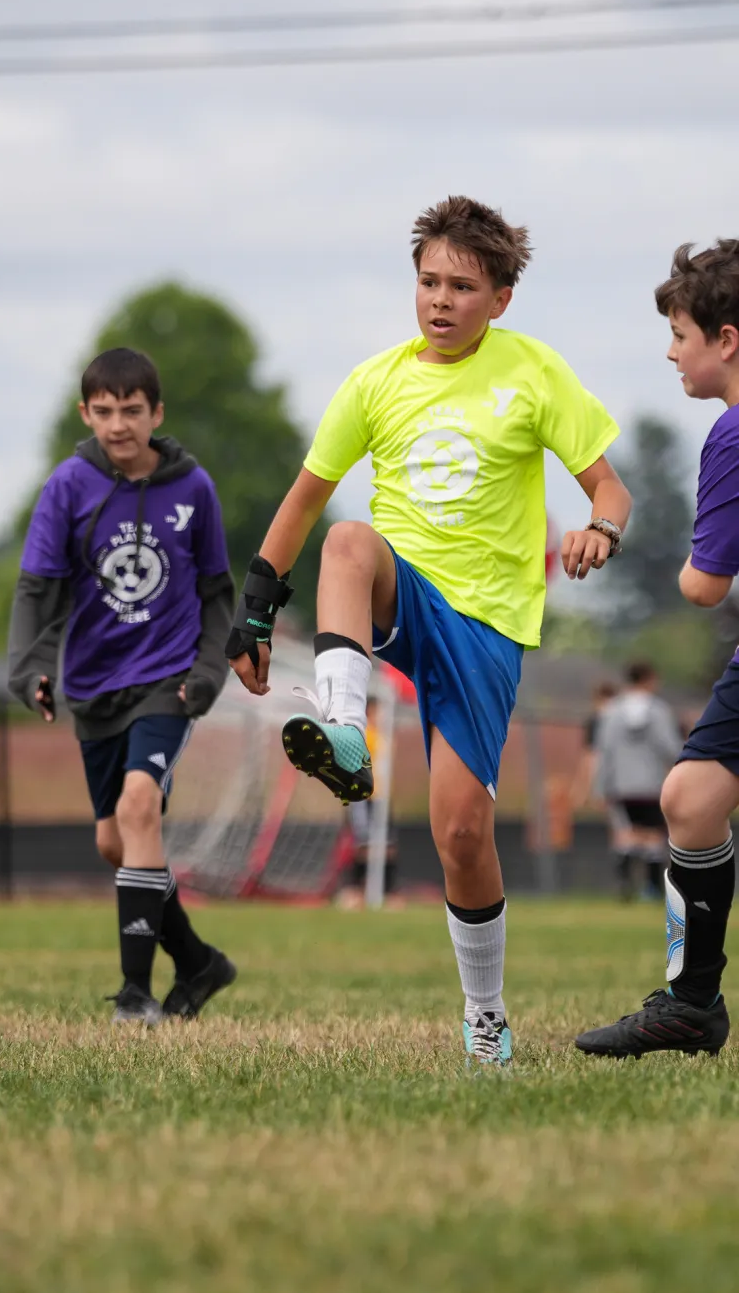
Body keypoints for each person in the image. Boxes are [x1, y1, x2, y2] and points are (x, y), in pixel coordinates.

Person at [227, 195, 630, 1065]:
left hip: (485, 628)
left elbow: (611, 488)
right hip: (401, 591)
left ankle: (485, 1015)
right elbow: (304, 500)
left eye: (461, 286)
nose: (440, 300)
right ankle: (344, 726)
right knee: (347, 539)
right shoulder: (375, 382)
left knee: (459, 833)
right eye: (427, 282)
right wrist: (253, 612)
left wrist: (602, 528)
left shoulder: (535, 374)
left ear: (501, 299)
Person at [8, 347, 237, 1026]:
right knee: (117, 841)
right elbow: (37, 588)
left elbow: (216, 591)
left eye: (131, 411)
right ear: (86, 413)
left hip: (168, 680)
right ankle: (198, 962)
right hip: (92, 684)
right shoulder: (68, 486)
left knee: (141, 811)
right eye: (103, 412)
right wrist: (29, 667)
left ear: (155, 414)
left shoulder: (193, 488)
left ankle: (135, 995)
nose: (117, 425)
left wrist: (208, 672)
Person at [577, 241, 739, 1059]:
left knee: (691, 798)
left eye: (680, 332)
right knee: (693, 797)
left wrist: (684, 556)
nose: (671, 350)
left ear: (727, 339)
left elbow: (704, 586)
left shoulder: (733, 435)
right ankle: (691, 1004)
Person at [594, 663, 682, 902]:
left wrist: (601, 787)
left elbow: (604, 751)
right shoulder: (659, 711)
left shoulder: (611, 711)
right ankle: (652, 887)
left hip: (621, 786)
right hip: (652, 784)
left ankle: (624, 883)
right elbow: (671, 748)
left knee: (626, 834)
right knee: (654, 835)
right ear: (650, 679)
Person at [338, 695, 400, 908]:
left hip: (382, 798)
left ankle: (388, 891)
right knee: (363, 844)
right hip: (364, 798)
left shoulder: (383, 736)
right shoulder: (363, 735)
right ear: (369, 711)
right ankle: (355, 890)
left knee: (388, 845)